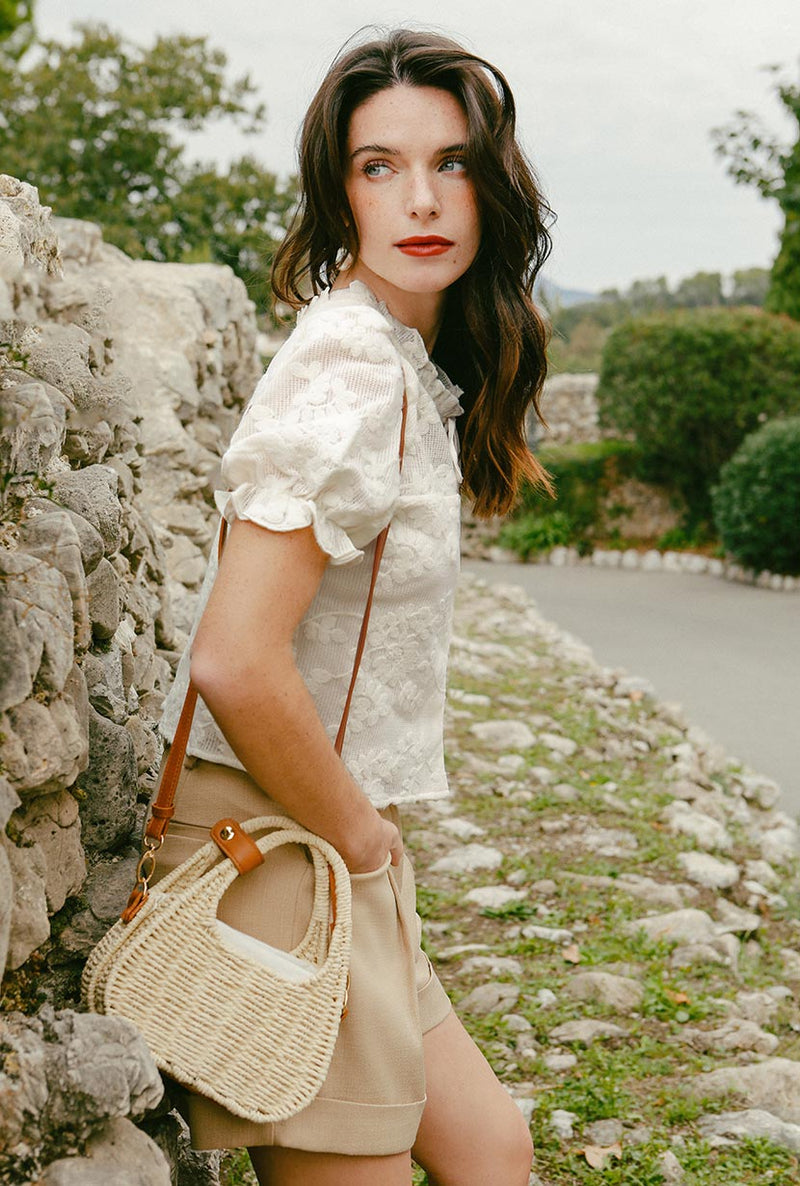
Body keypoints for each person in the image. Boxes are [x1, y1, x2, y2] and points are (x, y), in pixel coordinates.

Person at [155, 26, 554, 1186]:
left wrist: (368, 849)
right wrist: (363, 835)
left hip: (327, 836)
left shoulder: (401, 361)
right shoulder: (346, 370)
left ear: (493, 187)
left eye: (453, 163)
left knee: (490, 1149)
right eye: (378, 166)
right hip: (278, 839)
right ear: (338, 191)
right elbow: (234, 659)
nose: (420, 198)